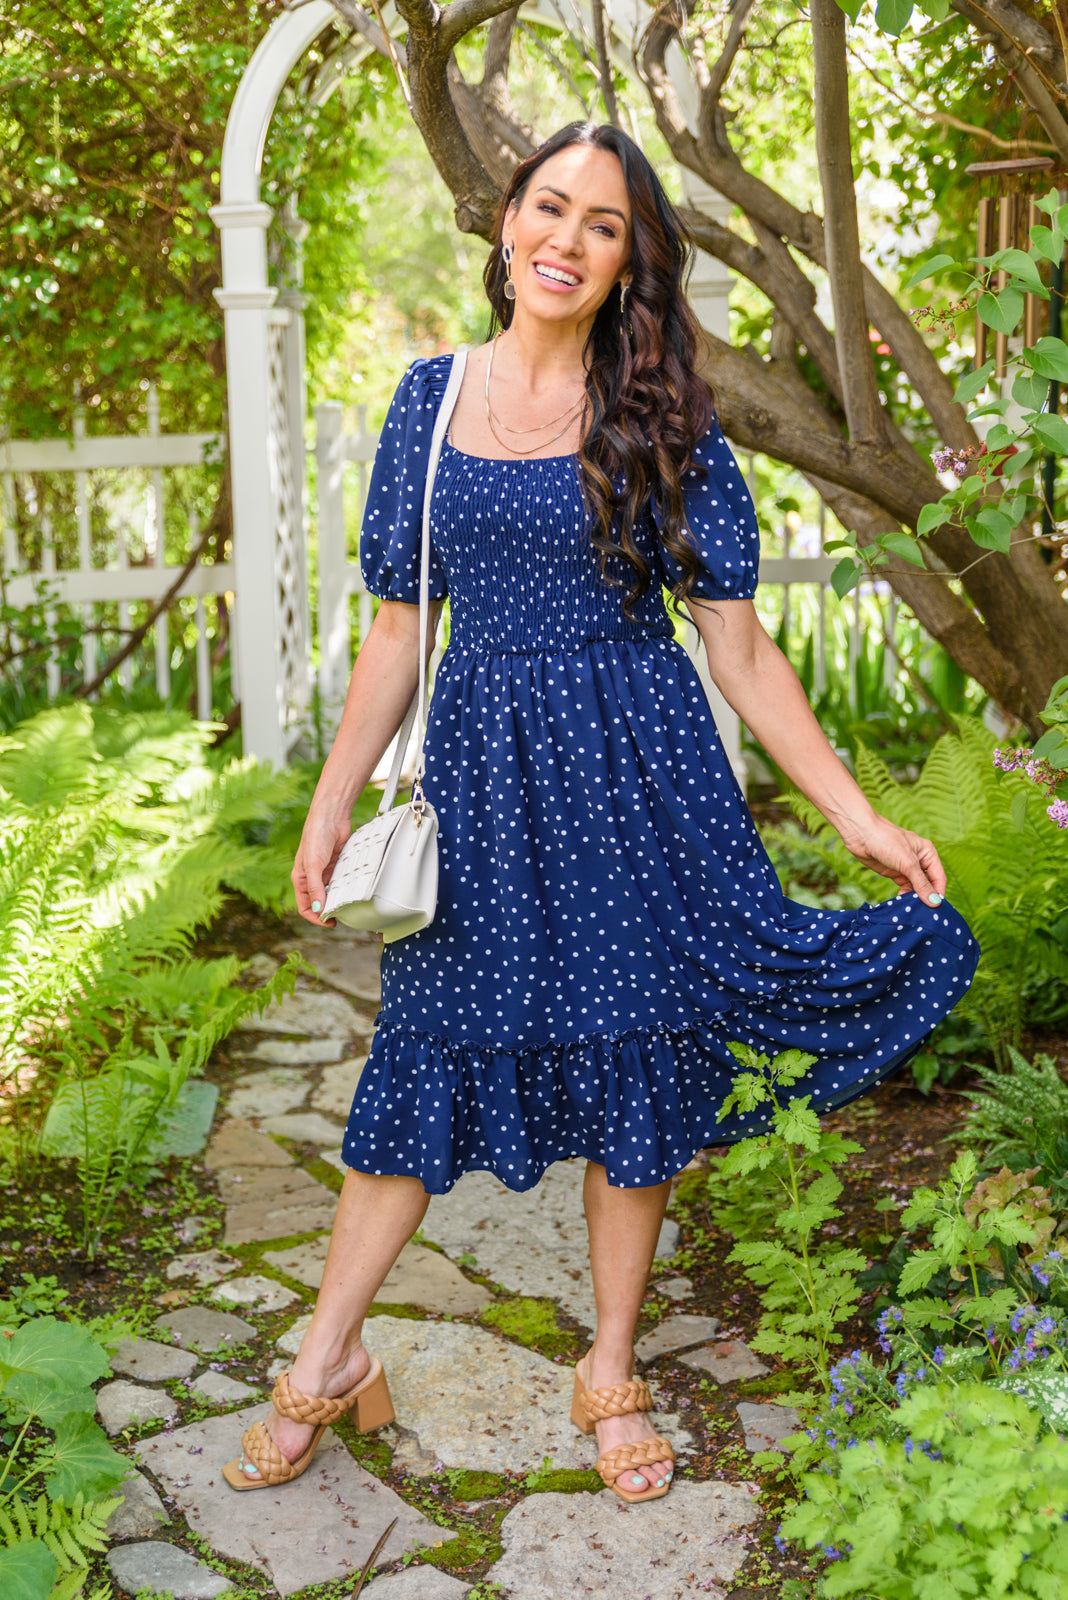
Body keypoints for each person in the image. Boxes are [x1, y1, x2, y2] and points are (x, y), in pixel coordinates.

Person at [223, 122, 979, 1503]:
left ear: (632, 259)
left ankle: (610, 1368)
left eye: (605, 224)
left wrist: (860, 814)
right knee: (430, 1052)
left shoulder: (663, 415)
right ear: (506, 223)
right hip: (485, 785)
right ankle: (328, 1354)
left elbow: (738, 648)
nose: (568, 240)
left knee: (639, 1062)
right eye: (550, 209)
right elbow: (400, 632)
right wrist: (330, 809)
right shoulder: (429, 402)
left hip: (642, 782)